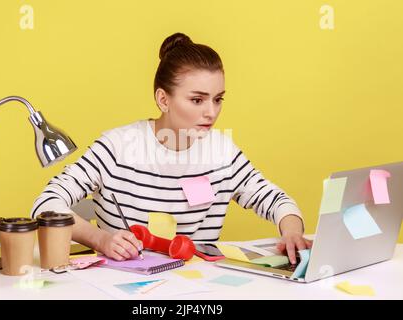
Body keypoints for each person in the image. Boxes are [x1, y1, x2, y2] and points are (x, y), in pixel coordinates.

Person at [30, 32, 312, 264]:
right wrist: (100, 239)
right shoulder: (118, 146)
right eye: (197, 100)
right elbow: (45, 207)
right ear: (163, 100)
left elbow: (276, 200)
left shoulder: (222, 153)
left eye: (218, 99)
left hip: (199, 288)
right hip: (121, 288)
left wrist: (292, 231)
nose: (211, 113)